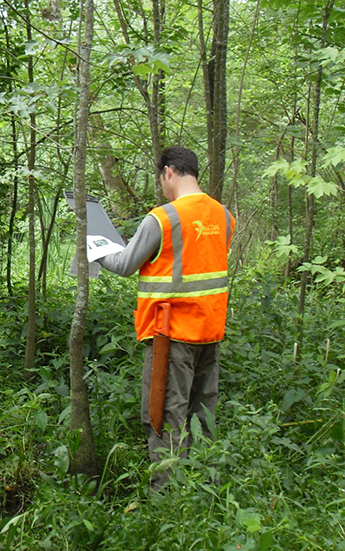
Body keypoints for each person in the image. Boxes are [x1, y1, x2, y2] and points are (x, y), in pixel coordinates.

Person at [97, 147, 235, 488]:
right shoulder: (224, 216)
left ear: (168, 172)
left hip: (170, 336)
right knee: (202, 416)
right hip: (210, 332)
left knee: (163, 417)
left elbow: (125, 264)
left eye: (161, 179)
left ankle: (167, 502)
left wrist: (96, 249)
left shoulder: (162, 218)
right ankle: (204, 489)